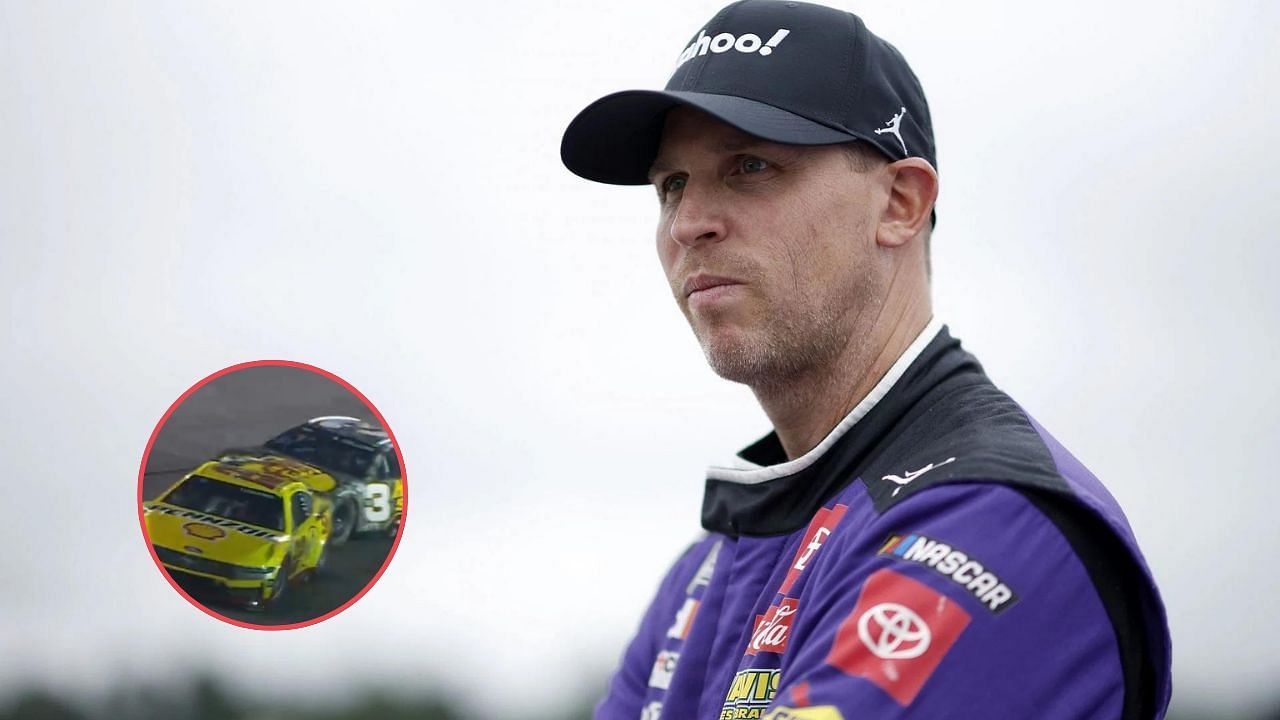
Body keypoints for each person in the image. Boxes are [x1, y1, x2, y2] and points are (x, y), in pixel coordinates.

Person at [560, 1, 1172, 719]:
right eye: (672, 186)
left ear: (900, 204)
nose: (689, 224)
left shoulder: (989, 523)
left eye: (749, 166)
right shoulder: (708, 568)